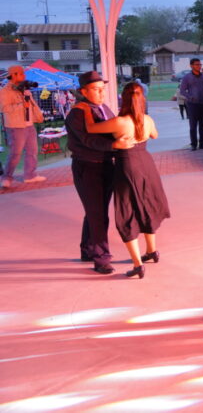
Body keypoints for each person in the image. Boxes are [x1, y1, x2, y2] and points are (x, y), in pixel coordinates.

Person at [75, 82, 170, 279]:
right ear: (142, 100)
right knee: (146, 207)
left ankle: (137, 264)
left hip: (127, 165)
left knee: (127, 212)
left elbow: (91, 128)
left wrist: (84, 109)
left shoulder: (119, 122)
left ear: (123, 99)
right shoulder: (147, 119)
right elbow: (154, 135)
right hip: (146, 164)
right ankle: (151, 251)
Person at [65, 71, 133, 274]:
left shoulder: (103, 108)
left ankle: (88, 250)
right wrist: (115, 144)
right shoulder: (78, 112)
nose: (101, 94)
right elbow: (88, 140)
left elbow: (114, 127)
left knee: (96, 210)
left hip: (105, 165)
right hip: (88, 167)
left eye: (103, 89)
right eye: (96, 90)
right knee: (97, 214)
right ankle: (101, 258)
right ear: (83, 91)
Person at [1, 65, 46, 188]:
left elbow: (31, 105)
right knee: (15, 153)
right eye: (21, 74)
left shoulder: (25, 89)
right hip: (15, 126)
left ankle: (30, 175)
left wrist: (38, 115)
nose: (24, 76)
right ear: (14, 75)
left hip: (29, 125)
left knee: (32, 151)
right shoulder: (5, 91)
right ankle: (6, 178)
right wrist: (21, 104)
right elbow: (4, 108)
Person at [179, 58, 203, 150]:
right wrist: (190, 97)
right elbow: (182, 91)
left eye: (200, 64)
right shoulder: (187, 77)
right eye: (196, 64)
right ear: (191, 66)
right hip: (192, 105)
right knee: (193, 126)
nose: (199, 66)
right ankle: (193, 145)